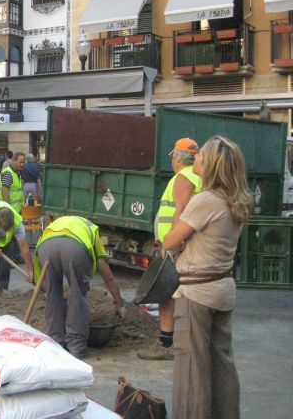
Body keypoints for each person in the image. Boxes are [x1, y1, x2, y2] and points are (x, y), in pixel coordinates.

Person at [163, 136, 251, 419]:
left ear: (210, 163)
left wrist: (180, 205)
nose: (194, 159)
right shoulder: (233, 199)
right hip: (222, 289)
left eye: (200, 156)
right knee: (221, 364)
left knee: (192, 372)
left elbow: (169, 242)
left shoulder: (205, 201)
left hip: (196, 294)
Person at [138, 137, 202, 361]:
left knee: (167, 294)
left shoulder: (183, 178)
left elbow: (182, 212)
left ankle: (166, 345)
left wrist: (174, 241)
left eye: (173, 156)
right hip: (185, 245)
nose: (172, 160)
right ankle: (186, 342)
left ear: (177, 157)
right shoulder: (199, 177)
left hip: (175, 246)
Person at [35, 216, 124, 360]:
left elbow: (41, 283)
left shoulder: (59, 223)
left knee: (52, 295)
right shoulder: (91, 229)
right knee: (77, 294)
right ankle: (76, 347)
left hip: (46, 247)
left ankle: (56, 342)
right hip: (74, 248)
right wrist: (118, 301)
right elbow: (108, 276)